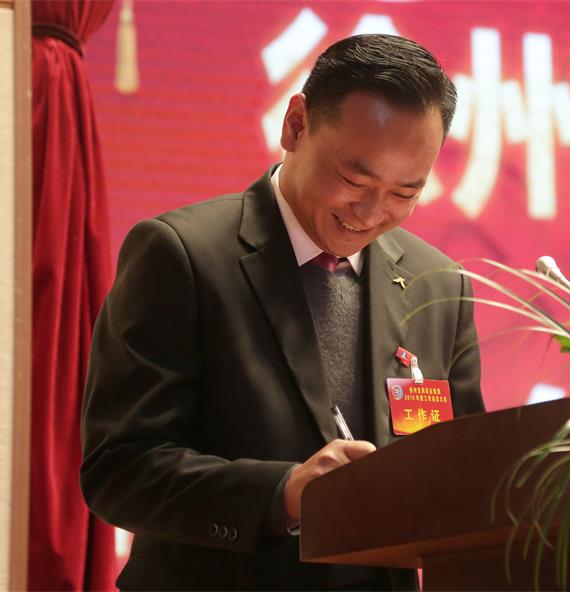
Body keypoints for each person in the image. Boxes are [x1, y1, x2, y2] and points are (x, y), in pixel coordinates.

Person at [80, 34, 485, 590]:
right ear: (296, 125)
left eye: (404, 193)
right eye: (354, 180)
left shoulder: (439, 284)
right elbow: (119, 470)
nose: (371, 212)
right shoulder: (182, 254)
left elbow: (462, 474)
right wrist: (284, 493)